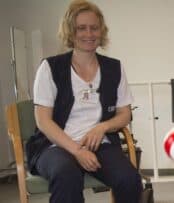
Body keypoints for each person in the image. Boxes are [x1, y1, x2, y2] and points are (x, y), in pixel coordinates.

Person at [25, 1, 142, 203]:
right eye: (81, 28)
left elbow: (124, 113)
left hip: (99, 145)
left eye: (94, 28)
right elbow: (43, 121)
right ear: (71, 32)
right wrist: (77, 150)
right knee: (67, 175)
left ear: (101, 31)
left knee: (129, 179)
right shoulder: (50, 67)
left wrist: (102, 127)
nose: (89, 34)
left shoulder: (114, 68)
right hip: (55, 146)